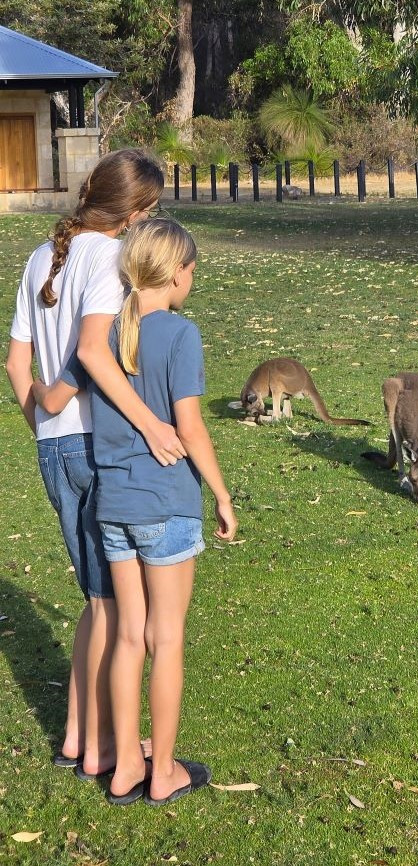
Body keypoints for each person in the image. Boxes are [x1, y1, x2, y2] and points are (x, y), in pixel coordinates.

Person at [34, 218, 237, 806]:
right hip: (166, 504)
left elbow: (52, 399)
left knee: (129, 636)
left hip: (112, 507)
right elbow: (191, 428)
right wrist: (222, 495)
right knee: (166, 638)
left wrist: (25, 373)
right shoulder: (180, 334)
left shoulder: (103, 334)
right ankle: (165, 770)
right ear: (178, 273)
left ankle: (125, 767)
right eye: (193, 271)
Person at [6, 149, 185, 782]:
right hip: (96, 446)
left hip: (54, 447)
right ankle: (110, 750)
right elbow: (91, 351)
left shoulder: (39, 258)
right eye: (151, 211)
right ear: (135, 211)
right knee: (113, 607)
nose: (150, 221)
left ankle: (82, 739)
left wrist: (44, 424)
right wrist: (151, 422)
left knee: (96, 601)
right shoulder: (108, 260)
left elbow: (14, 366)